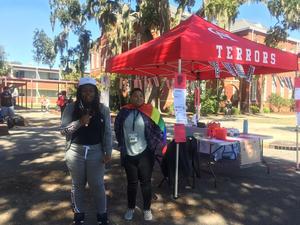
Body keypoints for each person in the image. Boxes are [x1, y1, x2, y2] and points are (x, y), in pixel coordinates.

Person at [60, 77, 112, 225]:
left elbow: (108, 132)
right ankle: (79, 215)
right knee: (77, 185)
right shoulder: (71, 108)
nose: (88, 93)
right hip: (75, 152)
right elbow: (63, 131)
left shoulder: (103, 109)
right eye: (84, 90)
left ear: (95, 92)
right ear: (79, 92)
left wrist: (108, 152)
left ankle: (102, 216)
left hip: (96, 152)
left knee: (97, 185)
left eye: (91, 90)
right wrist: (79, 122)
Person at [114, 88, 166, 221]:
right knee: (131, 183)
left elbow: (161, 128)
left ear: (144, 98)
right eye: (135, 95)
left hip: (145, 154)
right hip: (128, 154)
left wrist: (154, 145)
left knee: (146, 183)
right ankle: (131, 208)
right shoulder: (124, 111)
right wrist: (122, 144)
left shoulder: (151, 111)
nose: (138, 98)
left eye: (140, 96)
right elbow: (117, 128)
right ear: (130, 97)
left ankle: (147, 209)